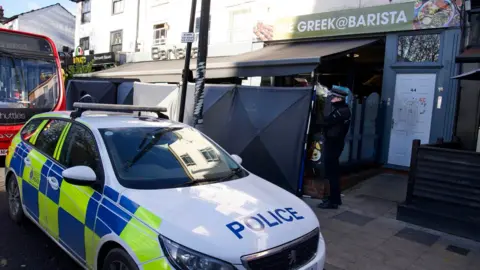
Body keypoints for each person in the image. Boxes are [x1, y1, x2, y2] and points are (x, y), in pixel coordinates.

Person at [318, 87, 351, 209]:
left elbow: (325, 122)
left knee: (332, 174)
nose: (331, 99)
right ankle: (333, 198)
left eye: (333, 97)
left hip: (333, 144)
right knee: (332, 173)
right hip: (334, 144)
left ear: (339, 98)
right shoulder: (341, 109)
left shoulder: (341, 111)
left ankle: (333, 201)